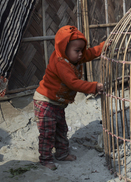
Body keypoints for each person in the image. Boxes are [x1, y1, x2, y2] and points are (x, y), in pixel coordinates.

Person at [33, 25, 105, 170]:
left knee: (61, 130)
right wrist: (94, 87)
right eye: (77, 51)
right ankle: (45, 159)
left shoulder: (73, 57)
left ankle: (62, 154)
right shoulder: (61, 63)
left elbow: (90, 53)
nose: (80, 54)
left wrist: (103, 47)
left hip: (58, 103)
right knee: (48, 132)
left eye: (81, 50)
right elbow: (73, 83)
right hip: (45, 102)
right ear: (63, 48)